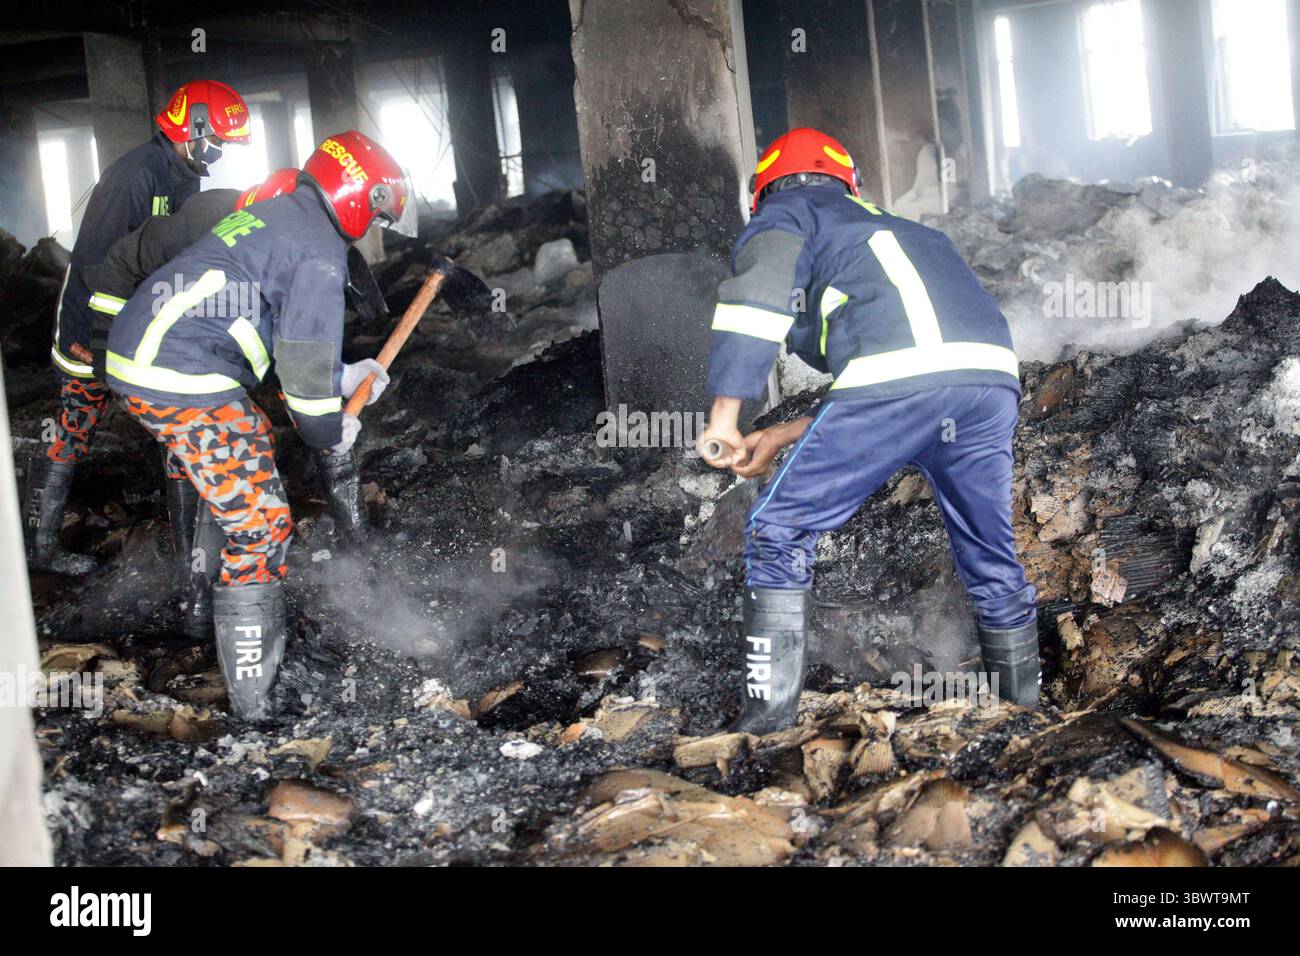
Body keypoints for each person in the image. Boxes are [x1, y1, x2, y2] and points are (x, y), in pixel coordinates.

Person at [697, 127, 1040, 734]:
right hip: (987, 384)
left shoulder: (788, 211)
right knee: (991, 553)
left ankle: (764, 726)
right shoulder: (909, 232)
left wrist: (726, 414)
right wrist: (778, 435)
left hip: (899, 386)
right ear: (850, 184)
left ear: (763, 192)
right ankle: (1024, 716)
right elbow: (911, 363)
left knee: (779, 531)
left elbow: (756, 298)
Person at [103, 131, 407, 718]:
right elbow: (301, 374)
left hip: (149, 355)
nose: (375, 225)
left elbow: (270, 320)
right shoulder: (319, 251)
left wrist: (341, 376)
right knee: (263, 527)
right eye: (378, 209)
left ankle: (201, 612)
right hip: (181, 372)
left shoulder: (278, 215)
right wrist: (328, 428)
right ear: (356, 197)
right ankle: (253, 704)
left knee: (249, 451)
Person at [24, 79, 250, 575]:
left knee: (177, 434)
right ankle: (40, 553)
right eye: (219, 141)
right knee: (73, 429)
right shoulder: (133, 177)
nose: (220, 153)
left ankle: (186, 562)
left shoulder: (186, 174)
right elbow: (101, 265)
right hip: (91, 326)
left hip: (142, 324)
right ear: (193, 128)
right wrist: (97, 343)